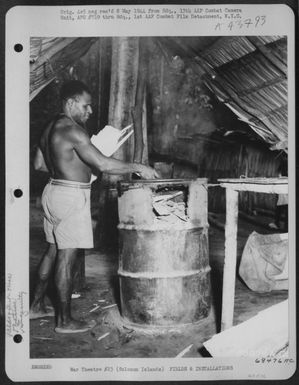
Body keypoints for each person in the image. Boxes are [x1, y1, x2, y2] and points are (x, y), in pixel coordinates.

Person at [30, 80, 158, 333]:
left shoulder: (49, 128)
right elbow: (104, 165)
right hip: (70, 196)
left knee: (52, 250)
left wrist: (71, 166)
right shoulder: (73, 129)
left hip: (52, 191)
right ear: (71, 103)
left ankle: (35, 306)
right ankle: (64, 321)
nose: (89, 112)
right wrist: (138, 167)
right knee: (67, 257)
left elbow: (39, 166)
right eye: (86, 106)